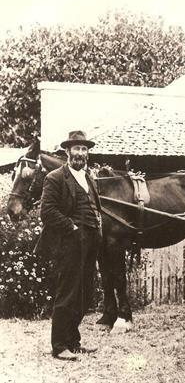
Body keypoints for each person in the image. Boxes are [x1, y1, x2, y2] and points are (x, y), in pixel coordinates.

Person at [35, 131, 102, 361]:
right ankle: (59, 345)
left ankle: (73, 341)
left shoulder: (89, 178)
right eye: (76, 149)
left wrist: (97, 228)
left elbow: (94, 208)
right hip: (69, 244)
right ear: (67, 152)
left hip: (90, 243)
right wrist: (72, 228)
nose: (80, 153)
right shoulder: (55, 177)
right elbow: (47, 212)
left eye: (84, 149)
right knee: (67, 294)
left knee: (85, 294)